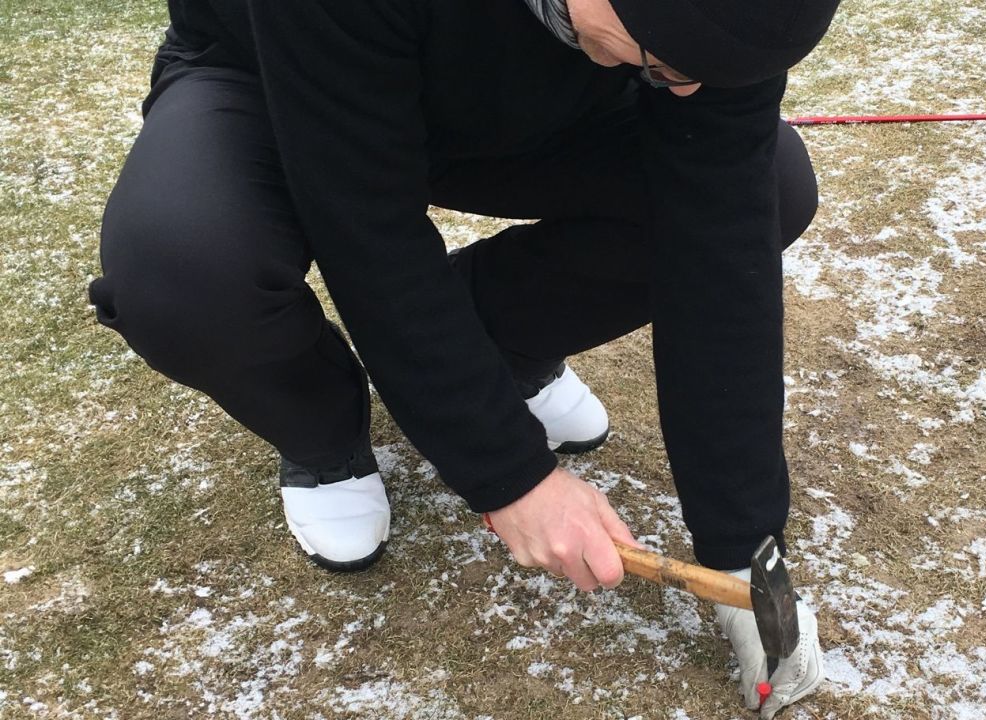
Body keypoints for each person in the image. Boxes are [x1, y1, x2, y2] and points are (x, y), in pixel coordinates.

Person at [89, 0, 838, 714]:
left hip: (526, 93)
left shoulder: (709, 34)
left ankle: (498, 343)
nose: (694, 86)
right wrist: (510, 476)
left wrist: (742, 547)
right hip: (279, 76)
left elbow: (722, 237)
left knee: (770, 184)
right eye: (669, 61)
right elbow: (368, 230)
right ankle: (323, 433)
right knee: (181, 275)